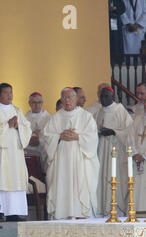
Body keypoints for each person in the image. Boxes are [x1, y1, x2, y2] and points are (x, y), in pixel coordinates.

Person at [44, 87, 100, 219]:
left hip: (80, 159)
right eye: (64, 97)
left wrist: (78, 137)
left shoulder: (86, 116)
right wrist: (58, 136)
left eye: (70, 97)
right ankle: (62, 215)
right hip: (61, 161)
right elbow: (47, 136)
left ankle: (81, 214)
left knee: (80, 185)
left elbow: (93, 137)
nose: (67, 100)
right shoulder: (56, 117)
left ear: (76, 99)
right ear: (61, 100)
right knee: (62, 184)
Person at [0, 83, 32, 222]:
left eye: (11, 92)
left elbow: (27, 128)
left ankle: (14, 211)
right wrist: (7, 125)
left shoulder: (17, 110)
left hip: (15, 154)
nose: (10, 95)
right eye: (6, 92)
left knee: (15, 178)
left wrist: (18, 127)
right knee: (0, 178)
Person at [95, 87, 133, 216]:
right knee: (101, 177)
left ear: (113, 97)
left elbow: (129, 131)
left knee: (114, 176)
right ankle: (102, 209)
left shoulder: (120, 110)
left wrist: (113, 131)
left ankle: (116, 210)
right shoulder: (99, 112)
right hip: (101, 150)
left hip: (115, 150)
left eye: (106, 96)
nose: (103, 99)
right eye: (102, 96)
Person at [25, 92, 51, 173]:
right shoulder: (24, 118)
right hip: (29, 153)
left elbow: (52, 136)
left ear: (42, 103)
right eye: (34, 102)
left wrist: (40, 141)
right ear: (29, 103)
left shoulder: (49, 118)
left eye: (39, 102)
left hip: (44, 153)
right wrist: (28, 141)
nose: (37, 105)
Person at [127, 102, 145, 212]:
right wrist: (134, 153)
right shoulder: (137, 119)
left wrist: (144, 155)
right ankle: (136, 211)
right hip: (136, 160)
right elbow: (130, 138)